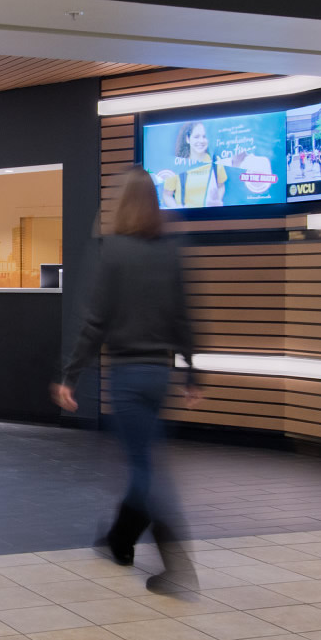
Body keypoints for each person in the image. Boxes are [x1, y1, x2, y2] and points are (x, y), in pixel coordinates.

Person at [51, 168, 199, 594]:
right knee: (144, 459)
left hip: (128, 375)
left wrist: (70, 375)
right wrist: (192, 373)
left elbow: (95, 322)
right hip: (159, 374)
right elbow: (181, 316)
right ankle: (119, 542)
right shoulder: (169, 252)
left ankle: (177, 565)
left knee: (142, 470)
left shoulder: (112, 251)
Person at [151, 121, 228, 208]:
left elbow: (221, 186)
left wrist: (217, 201)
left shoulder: (216, 162)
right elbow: (167, 195)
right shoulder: (177, 165)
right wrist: (177, 210)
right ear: (188, 139)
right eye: (196, 137)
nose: (201, 141)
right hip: (186, 219)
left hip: (211, 218)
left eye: (204, 136)